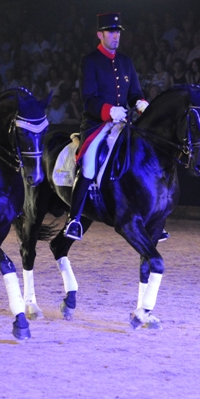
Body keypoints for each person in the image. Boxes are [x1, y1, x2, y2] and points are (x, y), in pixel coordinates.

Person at [63, 13, 148, 241]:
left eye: (118, 31)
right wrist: (109, 110)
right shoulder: (90, 61)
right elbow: (88, 99)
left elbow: (134, 93)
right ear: (100, 34)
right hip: (97, 124)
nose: (115, 35)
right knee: (89, 164)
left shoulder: (126, 61)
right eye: (111, 31)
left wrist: (140, 103)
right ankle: (74, 219)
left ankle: (149, 214)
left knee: (142, 157)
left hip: (123, 124)